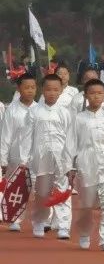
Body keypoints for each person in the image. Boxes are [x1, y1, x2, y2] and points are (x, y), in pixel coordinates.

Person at [68, 79, 104, 251]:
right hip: (86, 163)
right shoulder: (78, 119)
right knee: (87, 203)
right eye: (92, 93)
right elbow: (71, 144)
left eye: (99, 93)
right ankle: (84, 232)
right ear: (86, 96)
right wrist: (70, 167)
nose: (96, 96)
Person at [20, 74, 75, 239]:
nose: (52, 93)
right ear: (43, 90)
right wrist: (24, 160)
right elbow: (26, 137)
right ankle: (39, 221)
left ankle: (64, 226)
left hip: (61, 158)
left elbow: (71, 138)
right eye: (48, 89)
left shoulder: (65, 113)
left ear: (61, 91)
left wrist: (70, 162)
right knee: (42, 192)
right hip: (40, 158)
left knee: (62, 190)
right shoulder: (34, 112)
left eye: (56, 90)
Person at [0, 74, 37, 232]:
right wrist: (3, 159)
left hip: (36, 155)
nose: (30, 90)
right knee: (16, 187)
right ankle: (15, 218)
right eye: (26, 87)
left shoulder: (39, 109)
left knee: (39, 188)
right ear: (19, 88)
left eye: (33, 87)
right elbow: (5, 136)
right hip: (16, 155)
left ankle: (43, 219)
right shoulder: (12, 111)